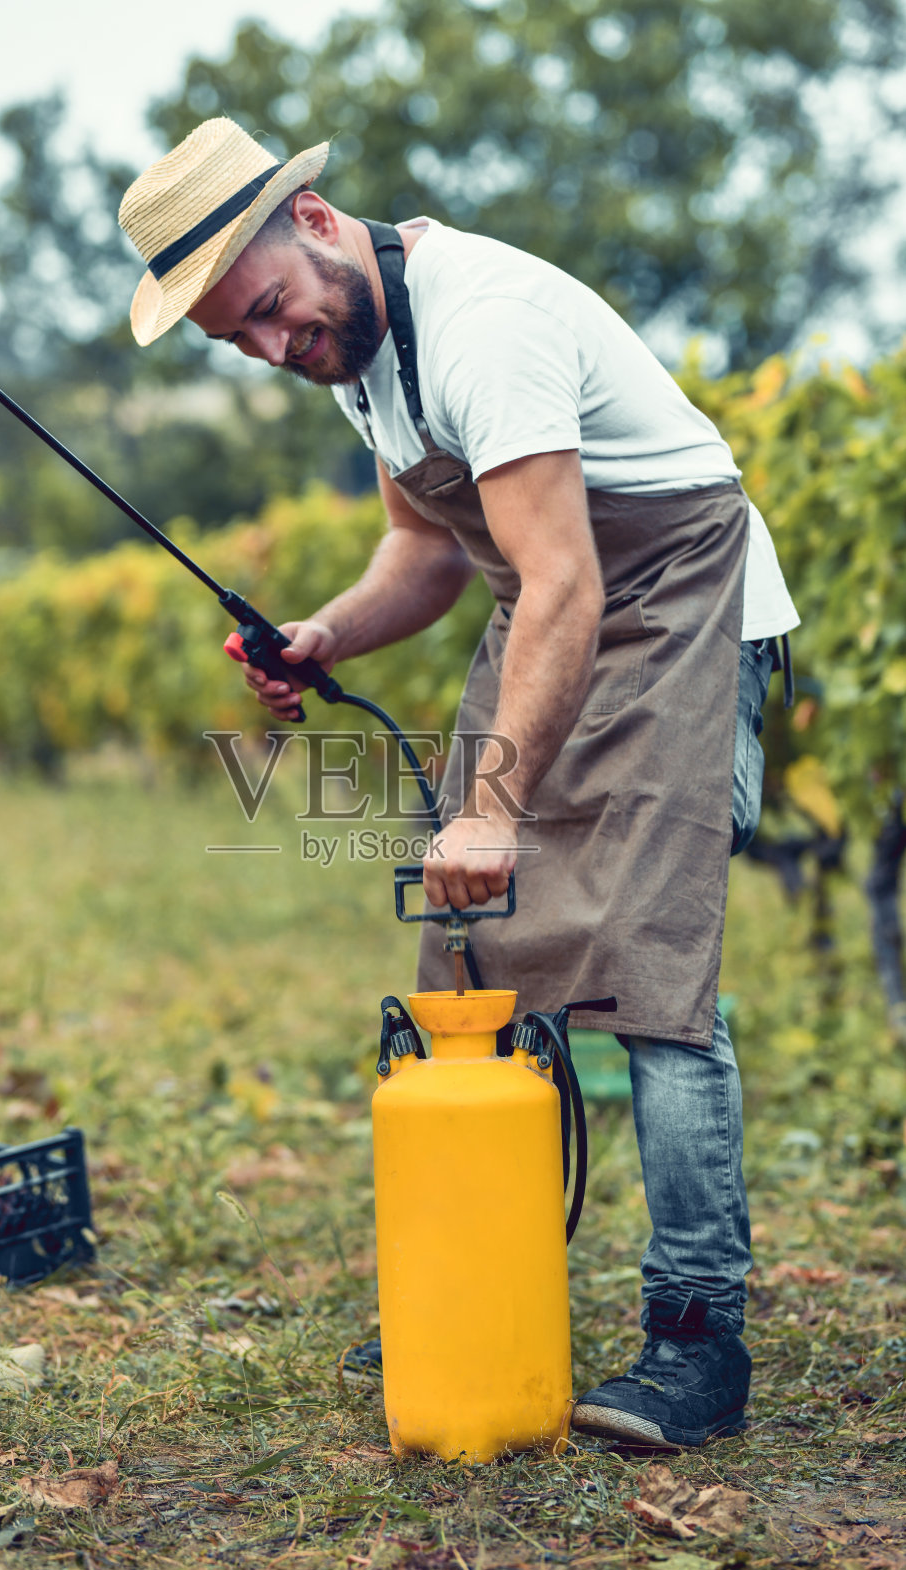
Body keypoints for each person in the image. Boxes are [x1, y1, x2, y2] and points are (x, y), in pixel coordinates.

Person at [118, 117, 799, 1448]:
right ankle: (483, 1279)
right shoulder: (360, 350)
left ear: (315, 224)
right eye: (238, 344)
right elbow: (426, 553)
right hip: (554, 607)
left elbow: (566, 580)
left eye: (266, 313)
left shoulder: (481, 318)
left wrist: (493, 804)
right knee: (470, 949)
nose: (271, 349)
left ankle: (698, 1343)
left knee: (650, 972)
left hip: (677, 608)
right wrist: (323, 634)